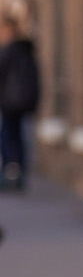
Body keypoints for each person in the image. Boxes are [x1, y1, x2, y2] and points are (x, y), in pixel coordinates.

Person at [0, 14, 39, 191]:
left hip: (9, 101)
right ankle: (19, 171)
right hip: (25, 101)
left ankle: (10, 172)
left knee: (8, 136)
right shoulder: (27, 50)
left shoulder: (8, 50)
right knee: (20, 137)